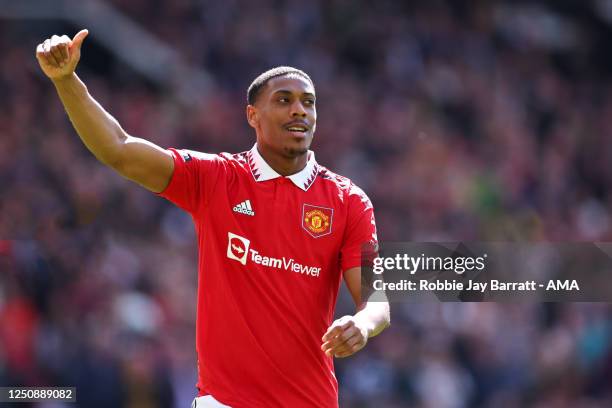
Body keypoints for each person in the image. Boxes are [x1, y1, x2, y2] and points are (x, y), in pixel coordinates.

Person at [36, 29, 390, 408]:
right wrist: (66, 80)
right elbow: (119, 149)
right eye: (284, 100)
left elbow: (377, 301)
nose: (299, 110)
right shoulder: (215, 178)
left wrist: (362, 325)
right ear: (252, 115)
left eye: (309, 102)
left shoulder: (348, 200)